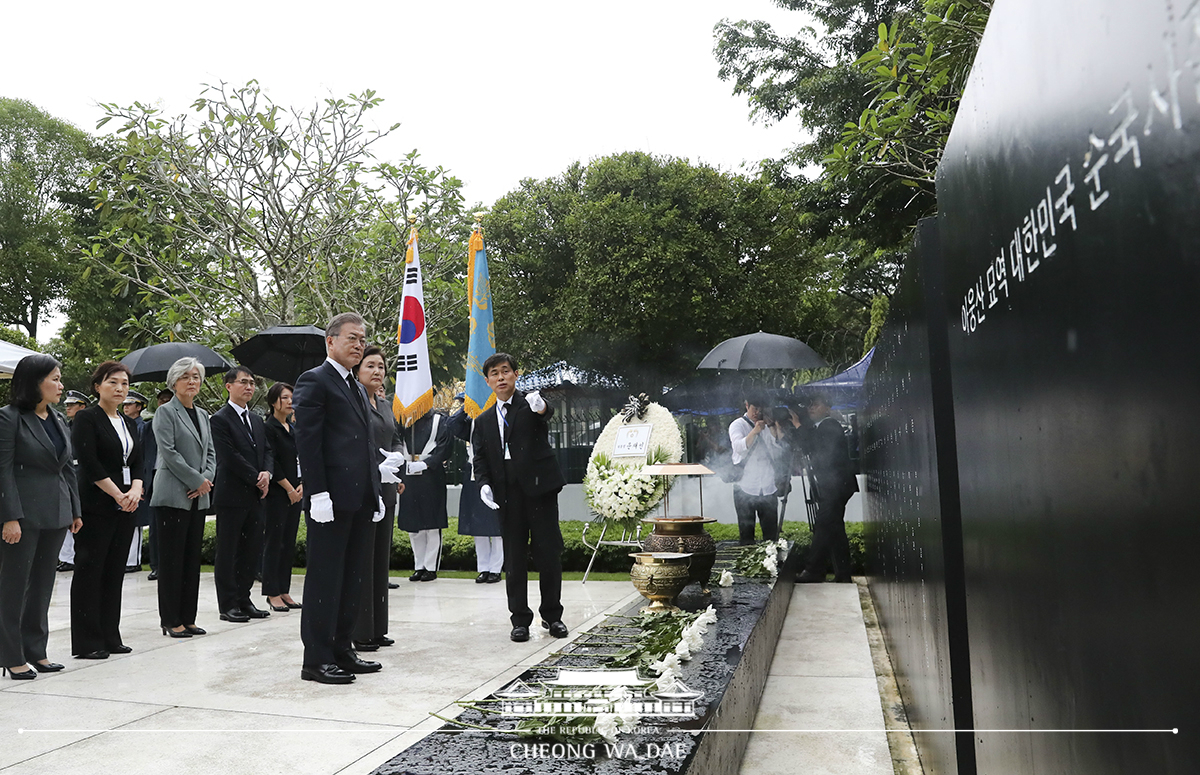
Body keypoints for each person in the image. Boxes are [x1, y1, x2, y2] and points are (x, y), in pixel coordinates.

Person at [293, 312, 384, 685]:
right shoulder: (314, 380)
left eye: (362, 339)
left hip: (359, 497)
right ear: (330, 341)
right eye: (352, 338)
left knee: (352, 578)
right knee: (325, 579)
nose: (359, 345)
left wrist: (375, 491)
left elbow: (363, 444)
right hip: (329, 499)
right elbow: (309, 443)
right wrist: (318, 493)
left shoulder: (358, 387)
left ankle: (343, 649)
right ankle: (315, 658)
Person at [470, 353, 567, 643]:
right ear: (487, 381)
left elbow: (546, 413)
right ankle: (520, 620)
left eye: (506, 372)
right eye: (494, 374)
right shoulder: (484, 420)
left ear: (515, 375)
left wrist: (542, 406)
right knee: (513, 558)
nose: (501, 378)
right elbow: (481, 458)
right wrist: (484, 485)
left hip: (539, 489)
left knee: (548, 553)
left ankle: (553, 616)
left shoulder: (529, 404)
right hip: (506, 493)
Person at [0, 354, 81, 679]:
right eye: (55, 379)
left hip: (56, 512)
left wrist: (74, 509)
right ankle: (10, 654)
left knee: (43, 585)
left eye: (60, 379)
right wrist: (9, 517)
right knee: (14, 586)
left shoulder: (59, 419)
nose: (61, 385)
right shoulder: (9, 418)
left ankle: (36, 650)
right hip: (22, 514)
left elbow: (68, 469)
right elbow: (2, 470)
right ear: (35, 382)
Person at [70, 361, 143, 659]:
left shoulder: (129, 423)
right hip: (97, 505)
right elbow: (89, 462)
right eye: (113, 382)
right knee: (91, 570)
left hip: (126, 506)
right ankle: (89, 641)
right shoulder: (87, 419)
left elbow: (138, 460)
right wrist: (117, 493)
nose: (120, 388)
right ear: (98, 386)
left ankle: (110, 635)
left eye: (124, 383)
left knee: (114, 571)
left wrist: (135, 490)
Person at [150, 358, 215, 637]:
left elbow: (211, 452)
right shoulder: (165, 412)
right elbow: (169, 453)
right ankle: (170, 619)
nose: (192, 381)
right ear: (174, 381)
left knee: (191, 560)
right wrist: (196, 480)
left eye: (196, 377)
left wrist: (205, 481)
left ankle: (188, 617)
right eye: (186, 376)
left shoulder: (202, 415)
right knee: (172, 561)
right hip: (173, 495)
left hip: (197, 497)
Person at [209, 366, 273, 623]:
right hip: (232, 495)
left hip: (256, 495)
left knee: (250, 549)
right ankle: (228, 604)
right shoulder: (220, 419)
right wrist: (255, 477)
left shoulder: (257, 419)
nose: (249, 387)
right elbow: (229, 456)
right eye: (243, 382)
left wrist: (266, 473)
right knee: (228, 550)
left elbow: (267, 450)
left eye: (251, 383)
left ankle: (244, 599)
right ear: (228, 386)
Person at [352, 345, 405, 650]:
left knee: (380, 560)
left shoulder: (385, 404)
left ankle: (377, 628)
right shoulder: (354, 401)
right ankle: (360, 631)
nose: (376, 371)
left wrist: (397, 459)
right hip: (364, 486)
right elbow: (353, 442)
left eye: (381, 367)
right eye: (370, 365)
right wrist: (375, 464)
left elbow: (396, 438)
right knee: (363, 559)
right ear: (358, 371)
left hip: (386, 486)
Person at [795, 392, 859, 583]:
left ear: (828, 408)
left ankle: (814, 570)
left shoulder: (830, 425)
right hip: (834, 486)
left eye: (816, 404)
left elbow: (816, 449)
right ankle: (843, 573)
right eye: (810, 405)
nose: (811, 408)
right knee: (835, 530)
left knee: (822, 526)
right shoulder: (821, 427)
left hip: (836, 486)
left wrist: (798, 425)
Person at [395, 405, 450, 583]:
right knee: (414, 525)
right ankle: (419, 565)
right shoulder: (403, 421)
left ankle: (431, 567)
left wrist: (427, 464)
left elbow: (444, 447)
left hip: (430, 475)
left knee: (432, 524)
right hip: (408, 474)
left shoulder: (439, 420)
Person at [261, 382, 303, 613]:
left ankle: (284, 589)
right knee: (274, 542)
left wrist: (302, 486)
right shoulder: (269, 428)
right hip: (278, 493)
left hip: (296, 493)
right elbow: (272, 461)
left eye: (291, 398)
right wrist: (288, 488)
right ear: (273, 402)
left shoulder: (293, 428)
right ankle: (271, 591)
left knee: (288, 543)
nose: (289, 402)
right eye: (285, 398)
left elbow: (302, 458)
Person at [449, 405, 502, 584]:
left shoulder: (499, 415)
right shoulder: (471, 421)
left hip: (496, 471)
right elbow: (452, 425)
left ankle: (496, 568)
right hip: (474, 472)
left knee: (496, 526)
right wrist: (467, 405)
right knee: (478, 525)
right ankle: (484, 568)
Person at [727, 392, 784, 544]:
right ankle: (747, 566)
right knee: (746, 536)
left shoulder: (768, 424)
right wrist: (754, 431)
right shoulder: (737, 424)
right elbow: (738, 447)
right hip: (745, 487)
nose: (757, 413)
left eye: (761, 409)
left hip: (768, 486)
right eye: (754, 409)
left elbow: (779, 451)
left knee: (771, 537)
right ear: (747, 406)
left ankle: (772, 565)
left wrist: (773, 428)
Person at [141, 389, 173, 581]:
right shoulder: (148, 426)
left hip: (174, 478)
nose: (164, 403)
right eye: (161, 400)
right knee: (155, 526)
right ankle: (156, 565)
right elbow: (142, 455)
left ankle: (172, 565)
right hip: (153, 478)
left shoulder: (180, 423)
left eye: (168, 400)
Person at [56, 390, 89, 573]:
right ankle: (66, 557)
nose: (67, 408)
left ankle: (76, 556)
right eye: (67, 405)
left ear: (82, 406)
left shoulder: (85, 426)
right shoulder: (65, 425)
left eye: (72, 405)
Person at [123, 391, 149, 573]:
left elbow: (144, 457)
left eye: (130, 404)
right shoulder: (124, 425)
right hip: (124, 476)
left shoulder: (143, 427)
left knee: (136, 522)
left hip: (137, 477)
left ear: (139, 407)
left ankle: (133, 560)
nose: (125, 407)